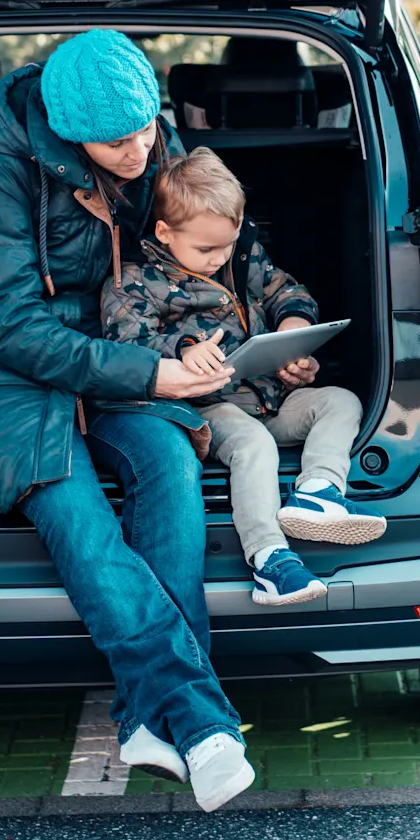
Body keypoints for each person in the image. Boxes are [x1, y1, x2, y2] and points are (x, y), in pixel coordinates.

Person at [0, 29, 254, 812]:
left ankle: (145, 718)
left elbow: (192, 246)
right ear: (71, 136)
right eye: (117, 143)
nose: (141, 152)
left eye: (146, 129)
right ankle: (202, 722)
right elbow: (11, 326)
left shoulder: (151, 136)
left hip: (115, 346)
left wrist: (199, 339)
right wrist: (155, 373)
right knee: (77, 507)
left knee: (168, 460)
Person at [101, 147, 384, 606]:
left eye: (228, 245)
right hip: (209, 409)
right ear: (164, 232)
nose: (219, 258)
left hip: (270, 396)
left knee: (341, 401)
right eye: (206, 249)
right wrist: (183, 351)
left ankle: (318, 491)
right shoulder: (135, 280)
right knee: (255, 444)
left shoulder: (242, 259)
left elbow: (286, 289)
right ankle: (269, 558)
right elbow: (126, 343)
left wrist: (293, 333)